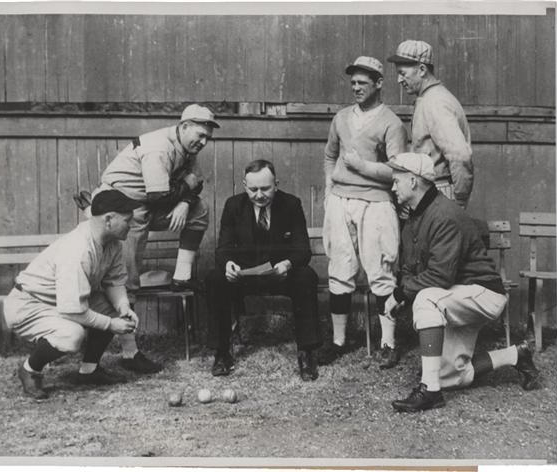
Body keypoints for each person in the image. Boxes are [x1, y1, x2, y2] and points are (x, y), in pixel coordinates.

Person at [384, 152, 540, 413]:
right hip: (456, 295)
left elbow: (439, 276)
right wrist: (404, 291)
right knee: (451, 376)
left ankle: (430, 393)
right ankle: (516, 354)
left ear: (413, 181)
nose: (392, 186)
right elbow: (411, 269)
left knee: (426, 298)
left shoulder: (445, 214)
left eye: (396, 180)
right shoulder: (413, 218)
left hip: (483, 293)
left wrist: (400, 294)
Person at [77, 104, 218, 373]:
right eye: (199, 135)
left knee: (199, 211)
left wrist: (186, 202)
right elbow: (160, 194)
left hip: (147, 203)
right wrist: (187, 188)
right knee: (125, 278)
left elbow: (195, 183)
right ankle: (130, 353)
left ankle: (182, 277)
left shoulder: (187, 147)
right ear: (184, 126)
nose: (202, 142)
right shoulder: (159, 148)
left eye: (207, 138)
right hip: (120, 209)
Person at [4, 190, 142, 400]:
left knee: (115, 312)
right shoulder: (78, 249)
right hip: (30, 303)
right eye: (127, 220)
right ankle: (30, 369)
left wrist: (123, 306)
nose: (130, 225)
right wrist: (111, 324)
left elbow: (114, 281)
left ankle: (89, 371)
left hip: (60, 301)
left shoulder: (112, 242)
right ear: (108, 219)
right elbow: (73, 311)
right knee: (72, 335)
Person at [320, 56, 408, 368]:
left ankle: (388, 343)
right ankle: (338, 341)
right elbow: (330, 155)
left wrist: (362, 167)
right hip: (341, 201)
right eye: (353, 83)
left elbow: (399, 171)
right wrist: (330, 188)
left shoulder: (392, 123)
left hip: (376, 204)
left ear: (379, 84)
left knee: (380, 272)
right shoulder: (341, 118)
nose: (356, 88)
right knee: (340, 270)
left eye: (363, 83)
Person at [205, 160, 322, 381]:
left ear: (276, 184)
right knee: (215, 278)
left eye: (265, 189)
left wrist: (287, 264)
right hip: (245, 275)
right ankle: (222, 353)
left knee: (306, 277)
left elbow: (303, 250)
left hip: (280, 274)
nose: (259, 195)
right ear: (244, 185)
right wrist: (229, 264)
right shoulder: (233, 206)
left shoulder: (291, 204)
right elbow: (223, 248)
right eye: (253, 189)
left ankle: (306, 353)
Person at [387, 39, 473, 209]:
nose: (399, 80)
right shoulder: (429, 98)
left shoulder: (435, 102)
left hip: (439, 192)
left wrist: (459, 202)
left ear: (422, 70)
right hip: (430, 191)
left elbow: (460, 155)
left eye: (403, 73)